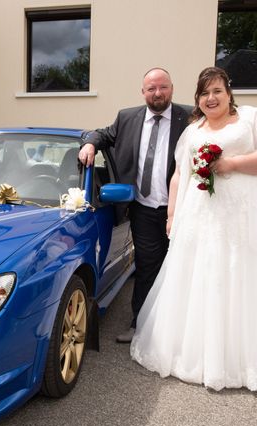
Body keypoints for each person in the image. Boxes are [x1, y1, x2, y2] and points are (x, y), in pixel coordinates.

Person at [130, 66, 257, 393]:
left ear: (228, 92)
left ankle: (249, 360)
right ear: (198, 99)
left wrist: (232, 165)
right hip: (202, 219)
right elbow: (180, 175)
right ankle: (203, 356)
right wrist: (171, 216)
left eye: (217, 91)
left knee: (245, 278)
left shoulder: (252, 119)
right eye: (205, 93)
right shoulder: (193, 131)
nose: (211, 98)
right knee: (204, 279)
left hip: (247, 219)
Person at [79, 68, 191, 343]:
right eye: (151, 88)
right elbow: (103, 134)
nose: (157, 93)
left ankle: (182, 330)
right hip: (144, 210)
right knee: (147, 268)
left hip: (186, 210)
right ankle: (140, 324)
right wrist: (90, 144)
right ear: (143, 92)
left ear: (172, 88)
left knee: (184, 268)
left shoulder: (190, 117)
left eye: (162, 87)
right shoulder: (127, 117)